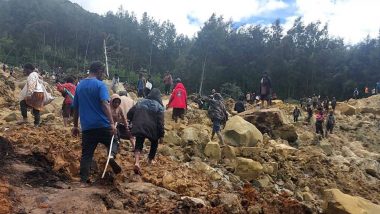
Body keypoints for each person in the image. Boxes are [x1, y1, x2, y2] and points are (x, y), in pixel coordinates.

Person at [72, 61, 121, 186]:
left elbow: (76, 108)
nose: (103, 75)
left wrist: (75, 126)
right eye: (103, 72)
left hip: (87, 127)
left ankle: (83, 180)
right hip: (103, 125)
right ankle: (111, 156)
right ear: (99, 71)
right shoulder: (100, 85)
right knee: (114, 141)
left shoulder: (80, 86)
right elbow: (105, 104)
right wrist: (111, 123)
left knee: (86, 154)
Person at [127, 89, 165, 175]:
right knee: (154, 142)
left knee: (139, 142)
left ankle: (137, 162)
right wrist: (161, 135)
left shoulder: (141, 101)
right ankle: (150, 160)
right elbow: (160, 122)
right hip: (152, 129)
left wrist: (132, 121)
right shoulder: (159, 106)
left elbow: (130, 113)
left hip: (139, 125)